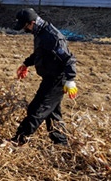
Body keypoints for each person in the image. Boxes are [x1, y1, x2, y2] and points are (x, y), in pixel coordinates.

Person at [10, 8, 77, 146]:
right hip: (49, 77)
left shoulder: (52, 37)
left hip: (57, 80)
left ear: (31, 23)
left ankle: (18, 140)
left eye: (24, 27)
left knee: (37, 109)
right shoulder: (40, 32)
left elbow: (68, 59)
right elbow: (40, 53)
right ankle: (61, 143)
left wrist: (70, 80)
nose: (24, 30)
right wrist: (26, 63)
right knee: (52, 113)